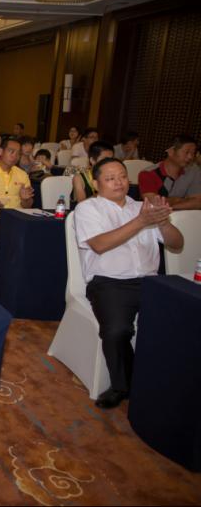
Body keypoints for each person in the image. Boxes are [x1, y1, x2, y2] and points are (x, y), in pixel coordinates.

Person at [74, 157, 183, 408]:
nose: (119, 182)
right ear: (96, 183)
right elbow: (99, 245)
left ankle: (170, 381)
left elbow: (177, 244)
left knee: (179, 320)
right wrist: (141, 222)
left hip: (151, 282)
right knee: (117, 330)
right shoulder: (88, 209)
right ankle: (123, 385)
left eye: (122, 176)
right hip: (110, 283)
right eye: (110, 178)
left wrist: (163, 223)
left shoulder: (142, 207)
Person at [139, 135, 201, 210]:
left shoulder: (194, 171)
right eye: (186, 152)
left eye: (193, 153)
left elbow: (198, 202)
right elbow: (154, 203)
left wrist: (171, 206)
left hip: (183, 215)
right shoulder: (148, 173)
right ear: (171, 152)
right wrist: (182, 200)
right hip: (156, 215)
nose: (190, 157)